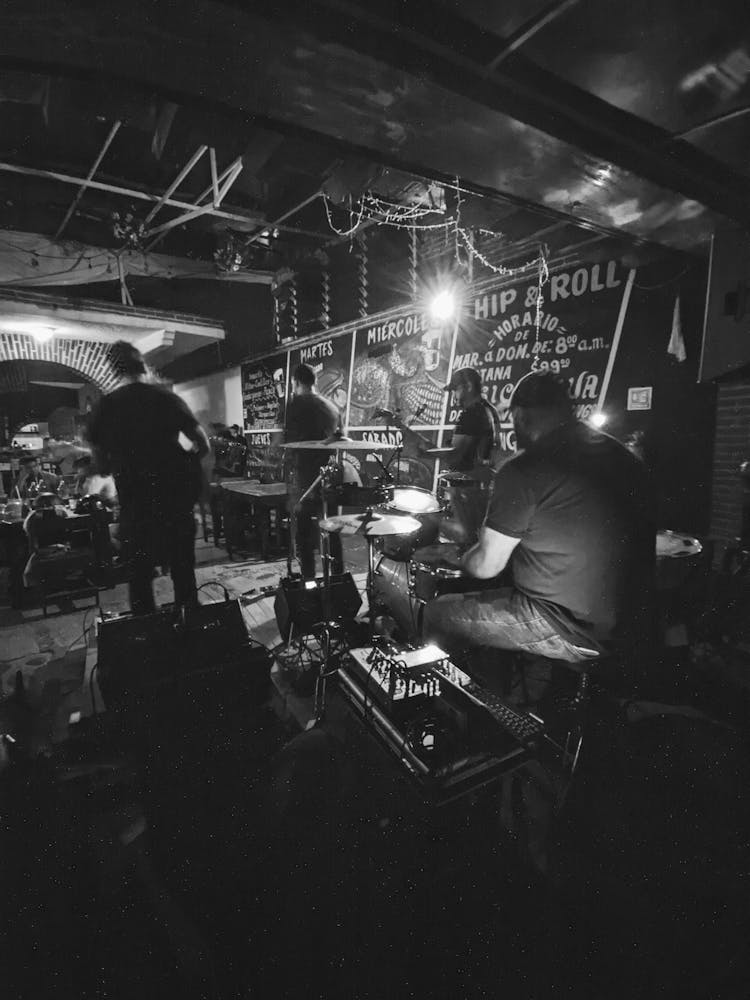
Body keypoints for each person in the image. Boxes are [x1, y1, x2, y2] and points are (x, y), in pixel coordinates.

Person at [423, 370, 655, 668]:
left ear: (520, 415)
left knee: (438, 613)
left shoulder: (525, 468)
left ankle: (459, 701)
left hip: (568, 627)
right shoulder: (623, 456)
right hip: (635, 624)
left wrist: (459, 557)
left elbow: (485, 566)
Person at [87, 341, 209, 615]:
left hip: (137, 509)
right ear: (142, 364)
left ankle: (151, 644)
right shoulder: (166, 398)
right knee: (184, 580)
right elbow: (203, 445)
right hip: (175, 505)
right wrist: (183, 467)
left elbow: (101, 465)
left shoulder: (107, 407)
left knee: (140, 586)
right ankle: (192, 640)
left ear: (113, 369)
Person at [284, 363, 343, 580]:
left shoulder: (295, 405)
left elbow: (284, 443)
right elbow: (341, 439)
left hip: (305, 481)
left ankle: (308, 583)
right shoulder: (332, 408)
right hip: (330, 479)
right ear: (315, 381)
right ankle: (338, 580)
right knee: (333, 532)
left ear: (296, 382)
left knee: (305, 537)